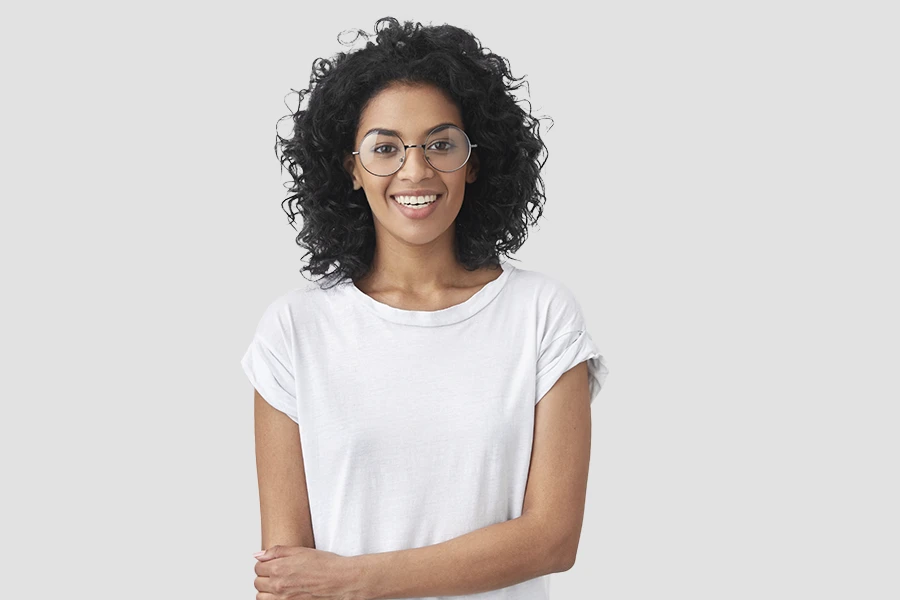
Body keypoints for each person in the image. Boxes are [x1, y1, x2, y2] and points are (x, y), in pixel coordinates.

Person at [241, 16, 609, 600]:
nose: (415, 170)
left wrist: (356, 580)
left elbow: (552, 539)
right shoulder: (295, 330)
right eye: (385, 148)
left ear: (475, 161)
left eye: (441, 144)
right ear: (351, 168)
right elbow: (290, 577)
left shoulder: (541, 315)